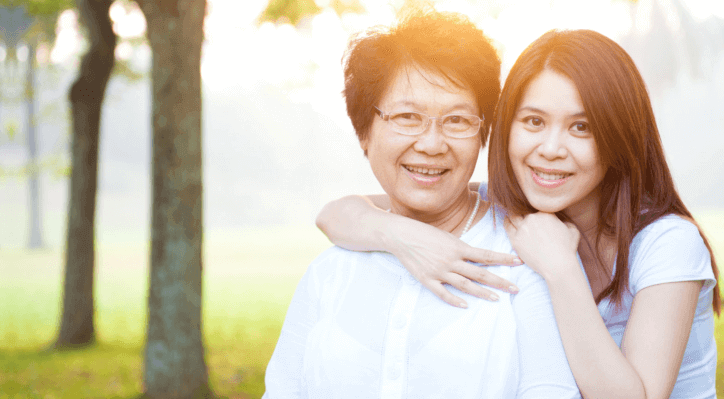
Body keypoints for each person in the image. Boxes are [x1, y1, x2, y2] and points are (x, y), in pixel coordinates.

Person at [316, 29, 720, 398]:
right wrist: (399, 235)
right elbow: (338, 214)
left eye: (581, 128)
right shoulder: (511, 208)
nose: (550, 148)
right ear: (505, 127)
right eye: (533, 121)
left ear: (618, 137)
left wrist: (562, 270)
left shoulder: (667, 244)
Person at [263, 9, 579, 398]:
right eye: (408, 117)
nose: (431, 144)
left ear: (484, 133)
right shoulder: (330, 272)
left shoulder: (523, 260)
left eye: (458, 120)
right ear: (364, 132)